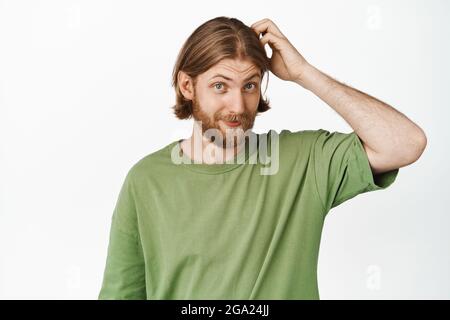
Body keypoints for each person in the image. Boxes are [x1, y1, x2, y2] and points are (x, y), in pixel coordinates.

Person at [98, 16, 427, 299]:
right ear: (187, 85)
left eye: (250, 86)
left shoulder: (303, 160)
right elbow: (121, 293)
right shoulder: (146, 180)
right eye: (220, 86)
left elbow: (405, 143)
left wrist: (304, 73)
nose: (238, 107)